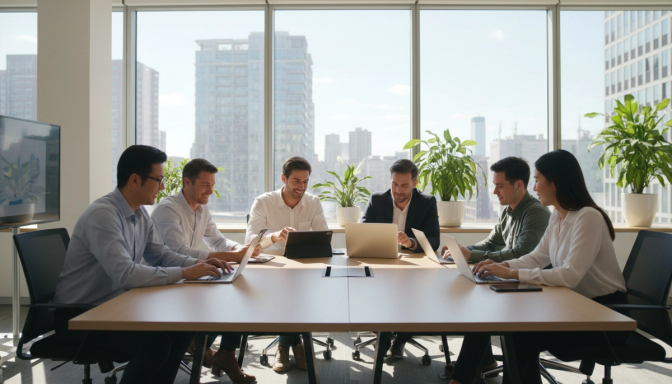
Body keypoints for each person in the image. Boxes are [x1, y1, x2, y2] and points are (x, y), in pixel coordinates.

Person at [53, 145, 230, 384]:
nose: (163, 187)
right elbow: (126, 274)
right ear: (135, 180)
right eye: (158, 180)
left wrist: (199, 265)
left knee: (183, 330)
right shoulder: (103, 215)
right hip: (83, 316)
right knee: (156, 345)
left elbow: (161, 254)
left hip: (117, 305)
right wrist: (186, 271)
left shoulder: (139, 214)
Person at [471, 149, 627, 384]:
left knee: (520, 335)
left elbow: (569, 275)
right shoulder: (558, 216)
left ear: (556, 182)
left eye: (537, 180)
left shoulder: (588, 217)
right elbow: (538, 257)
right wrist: (501, 265)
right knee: (516, 330)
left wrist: (511, 272)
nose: (534, 188)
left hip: (603, 314)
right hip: (573, 304)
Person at [441, 157, 551, 383]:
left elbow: (521, 254)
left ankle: (462, 378)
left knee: (482, 312)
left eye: (499, 186)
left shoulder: (536, 213)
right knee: (476, 305)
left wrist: (473, 256)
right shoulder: (508, 211)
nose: (494, 192)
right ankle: (486, 362)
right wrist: (464, 250)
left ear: (519, 185)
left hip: (534, 288)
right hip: (513, 280)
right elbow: (491, 243)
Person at [151, 158, 258, 382]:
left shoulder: (202, 209)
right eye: (205, 185)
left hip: (189, 279)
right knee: (224, 300)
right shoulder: (167, 209)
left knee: (236, 293)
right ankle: (198, 342)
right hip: (166, 282)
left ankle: (224, 353)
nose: (210, 191)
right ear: (187, 182)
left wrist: (240, 248)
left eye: (213, 185)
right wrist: (234, 256)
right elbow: (180, 253)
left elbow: (217, 241)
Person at [246, 156, 329, 372]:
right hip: (270, 267)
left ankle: (286, 345)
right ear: (283, 178)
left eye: (305, 182)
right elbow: (249, 242)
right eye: (296, 181)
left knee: (296, 288)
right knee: (290, 292)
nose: (301, 187)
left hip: (302, 267)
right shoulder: (263, 202)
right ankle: (295, 345)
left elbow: (324, 237)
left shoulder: (313, 203)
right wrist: (274, 237)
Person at [361, 158, 440, 359]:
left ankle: (399, 340)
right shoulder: (377, 199)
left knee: (414, 295)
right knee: (376, 292)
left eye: (404, 185)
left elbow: (434, 239)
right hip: (382, 266)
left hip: (412, 268)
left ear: (415, 183)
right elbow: (363, 230)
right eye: (394, 184)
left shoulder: (427, 202)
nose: (398, 190)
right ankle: (384, 337)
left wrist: (412, 243)